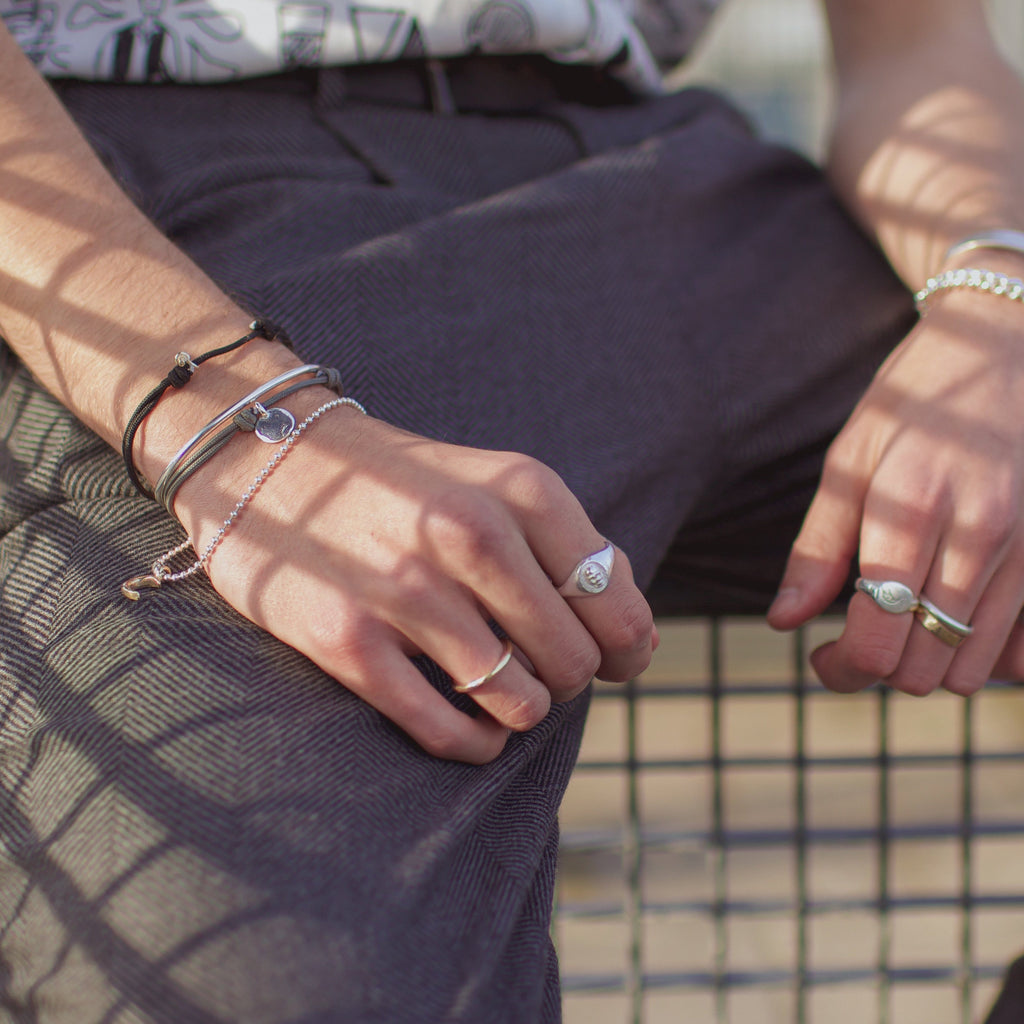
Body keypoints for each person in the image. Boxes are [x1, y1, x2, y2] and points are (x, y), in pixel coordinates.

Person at [0, 0, 1022, 1020]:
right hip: (158, 233)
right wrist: (229, 411)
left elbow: (921, 48)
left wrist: (993, 310)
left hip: (680, 183)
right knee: (267, 983)